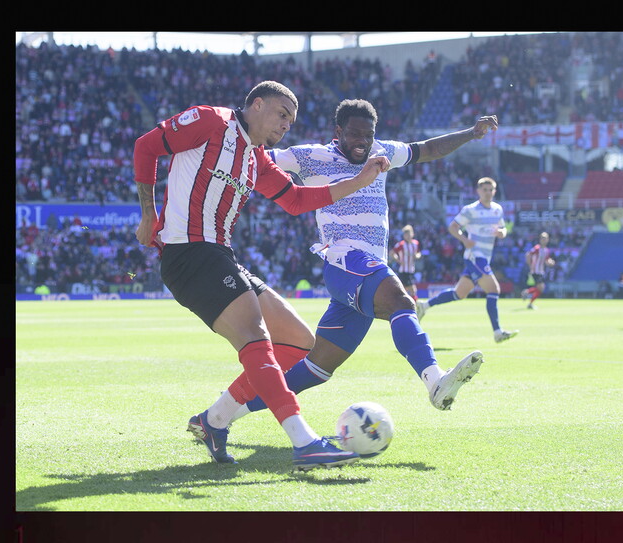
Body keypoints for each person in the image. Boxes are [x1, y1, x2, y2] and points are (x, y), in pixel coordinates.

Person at [133, 81, 391, 471]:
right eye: (282, 114)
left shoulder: (257, 158)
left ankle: (214, 420)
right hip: (189, 253)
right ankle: (304, 442)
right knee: (256, 337)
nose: (287, 125)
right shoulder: (209, 121)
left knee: (298, 342)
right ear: (256, 105)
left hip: (220, 256)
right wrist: (149, 214)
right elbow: (145, 146)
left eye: (292, 120)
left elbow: (295, 200)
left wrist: (358, 181)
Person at [203, 99, 498, 439]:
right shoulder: (309, 156)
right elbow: (255, 158)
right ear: (338, 132)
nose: (362, 142)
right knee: (402, 302)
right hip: (344, 259)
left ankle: (216, 418)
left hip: (368, 268)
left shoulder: (381, 150)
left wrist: (471, 133)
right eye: (355, 134)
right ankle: (434, 381)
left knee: (315, 369)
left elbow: (427, 149)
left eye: (368, 135)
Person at [416, 177, 518, 343]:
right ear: (478, 191)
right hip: (475, 256)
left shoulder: (497, 209)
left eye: (490, 190)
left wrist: (502, 233)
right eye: (484, 190)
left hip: (485, 256)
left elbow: (503, 228)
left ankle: (424, 305)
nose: (488, 193)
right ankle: (498, 332)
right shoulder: (470, 210)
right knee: (494, 290)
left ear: (495, 191)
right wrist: (464, 240)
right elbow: (453, 227)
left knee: (459, 293)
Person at [523, 231, 555, 309]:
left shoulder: (546, 250)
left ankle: (527, 293)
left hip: (541, 271)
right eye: (543, 238)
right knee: (541, 288)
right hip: (536, 271)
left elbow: (546, 260)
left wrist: (550, 262)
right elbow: (528, 254)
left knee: (540, 289)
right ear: (540, 239)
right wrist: (530, 264)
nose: (544, 240)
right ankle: (529, 298)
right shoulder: (537, 248)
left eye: (546, 238)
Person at [391, 224, 422, 301]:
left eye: (409, 234)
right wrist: (398, 260)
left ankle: (400, 304)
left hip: (411, 270)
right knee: (412, 290)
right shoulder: (401, 245)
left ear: (412, 234)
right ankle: (415, 306)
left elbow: (418, 253)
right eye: (406, 234)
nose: (408, 236)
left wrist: (417, 256)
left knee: (404, 290)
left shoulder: (415, 244)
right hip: (403, 271)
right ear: (404, 235)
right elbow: (392, 253)